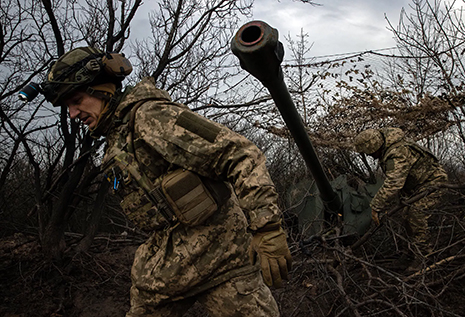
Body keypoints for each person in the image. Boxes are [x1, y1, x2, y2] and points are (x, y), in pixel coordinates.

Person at [37, 46, 292, 316]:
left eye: (77, 100)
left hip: (224, 261)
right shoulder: (119, 136)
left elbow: (240, 154)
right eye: (68, 107)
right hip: (169, 273)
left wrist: (267, 228)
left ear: (103, 89)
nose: (73, 114)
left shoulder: (150, 117)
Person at [353, 127, 448, 270]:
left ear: (375, 147)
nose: (371, 157)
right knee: (405, 217)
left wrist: (376, 206)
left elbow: (394, 183)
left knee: (416, 215)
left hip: (432, 183)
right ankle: (409, 255)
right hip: (415, 186)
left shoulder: (397, 152)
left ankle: (424, 258)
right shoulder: (389, 148)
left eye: (370, 153)